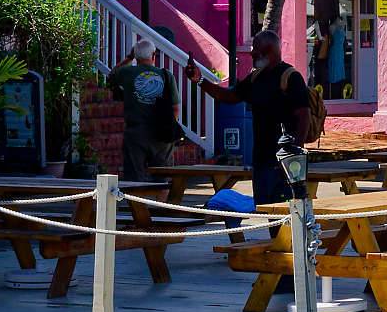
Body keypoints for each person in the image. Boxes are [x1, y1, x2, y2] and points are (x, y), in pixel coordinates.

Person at [189, 29, 310, 205]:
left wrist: (296, 153)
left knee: (286, 213)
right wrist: (200, 80)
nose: (252, 52)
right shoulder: (256, 77)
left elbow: (304, 116)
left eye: (256, 48)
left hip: (284, 161)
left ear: (269, 50)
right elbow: (230, 96)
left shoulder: (291, 77)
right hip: (261, 159)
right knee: (264, 210)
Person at [107, 39, 178, 181]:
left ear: (136, 55)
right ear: (153, 55)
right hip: (161, 133)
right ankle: (161, 203)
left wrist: (129, 58)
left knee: (134, 177)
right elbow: (175, 108)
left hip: (135, 132)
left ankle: (137, 203)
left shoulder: (127, 73)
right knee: (163, 177)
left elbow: (111, 75)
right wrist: (170, 127)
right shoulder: (166, 75)